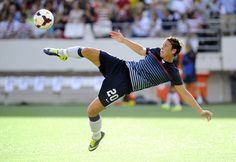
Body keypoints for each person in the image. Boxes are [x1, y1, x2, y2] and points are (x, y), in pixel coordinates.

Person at [43, 31, 213, 152]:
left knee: (91, 110)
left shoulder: (172, 72)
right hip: (121, 66)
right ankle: (62, 53)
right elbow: (140, 50)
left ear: (173, 51)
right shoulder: (155, 52)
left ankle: (96, 136)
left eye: (165, 46)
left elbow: (184, 93)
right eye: (162, 45)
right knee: (88, 51)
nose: (162, 47)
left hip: (124, 84)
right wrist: (123, 40)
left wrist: (200, 110)